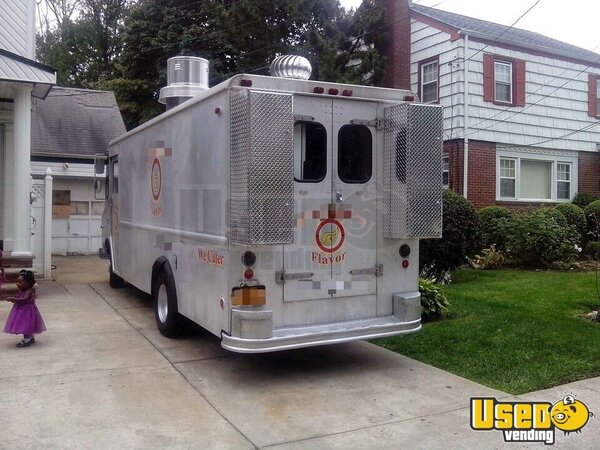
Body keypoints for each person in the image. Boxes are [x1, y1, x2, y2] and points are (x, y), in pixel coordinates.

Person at [3, 270, 46, 347]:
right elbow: (19, 298)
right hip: (20, 310)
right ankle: (30, 337)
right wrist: (14, 299)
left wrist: (13, 299)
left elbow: (24, 300)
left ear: (28, 283)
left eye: (20, 282)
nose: (17, 284)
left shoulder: (29, 292)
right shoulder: (21, 291)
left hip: (27, 311)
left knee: (26, 324)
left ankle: (27, 339)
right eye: (18, 282)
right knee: (24, 324)